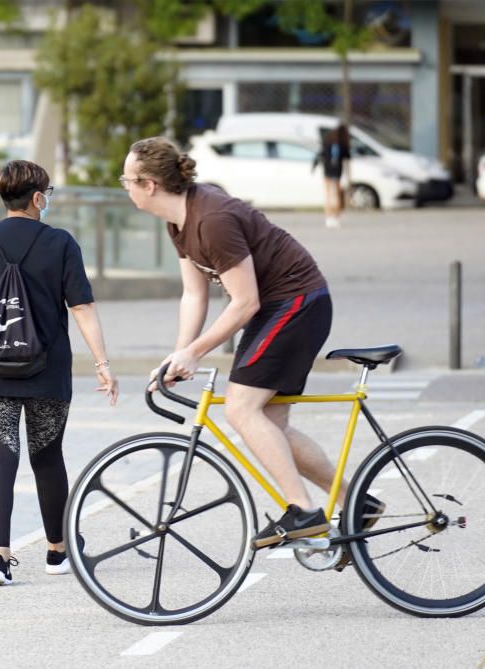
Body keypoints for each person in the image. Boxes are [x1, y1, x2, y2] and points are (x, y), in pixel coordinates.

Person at [121, 136, 382, 550]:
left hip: (296, 303)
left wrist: (196, 352)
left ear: (150, 184)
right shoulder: (178, 222)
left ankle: (304, 512)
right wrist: (178, 353)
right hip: (280, 307)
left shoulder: (213, 219)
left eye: (127, 179)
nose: (125, 187)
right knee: (270, 425)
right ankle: (356, 502)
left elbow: (245, 302)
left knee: (241, 409)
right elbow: (195, 294)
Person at [0, 160, 118, 586]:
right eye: (49, 192)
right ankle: (57, 551)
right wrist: (102, 364)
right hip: (47, 370)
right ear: (37, 198)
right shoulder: (61, 243)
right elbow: (81, 306)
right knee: (47, 457)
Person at [312, 123, 351, 229]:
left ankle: (328, 217)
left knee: (328, 194)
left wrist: (314, 167)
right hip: (338, 171)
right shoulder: (343, 143)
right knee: (337, 194)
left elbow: (321, 155)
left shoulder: (327, 140)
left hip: (327, 169)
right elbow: (347, 160)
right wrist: (348, 177)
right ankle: (336, 217)